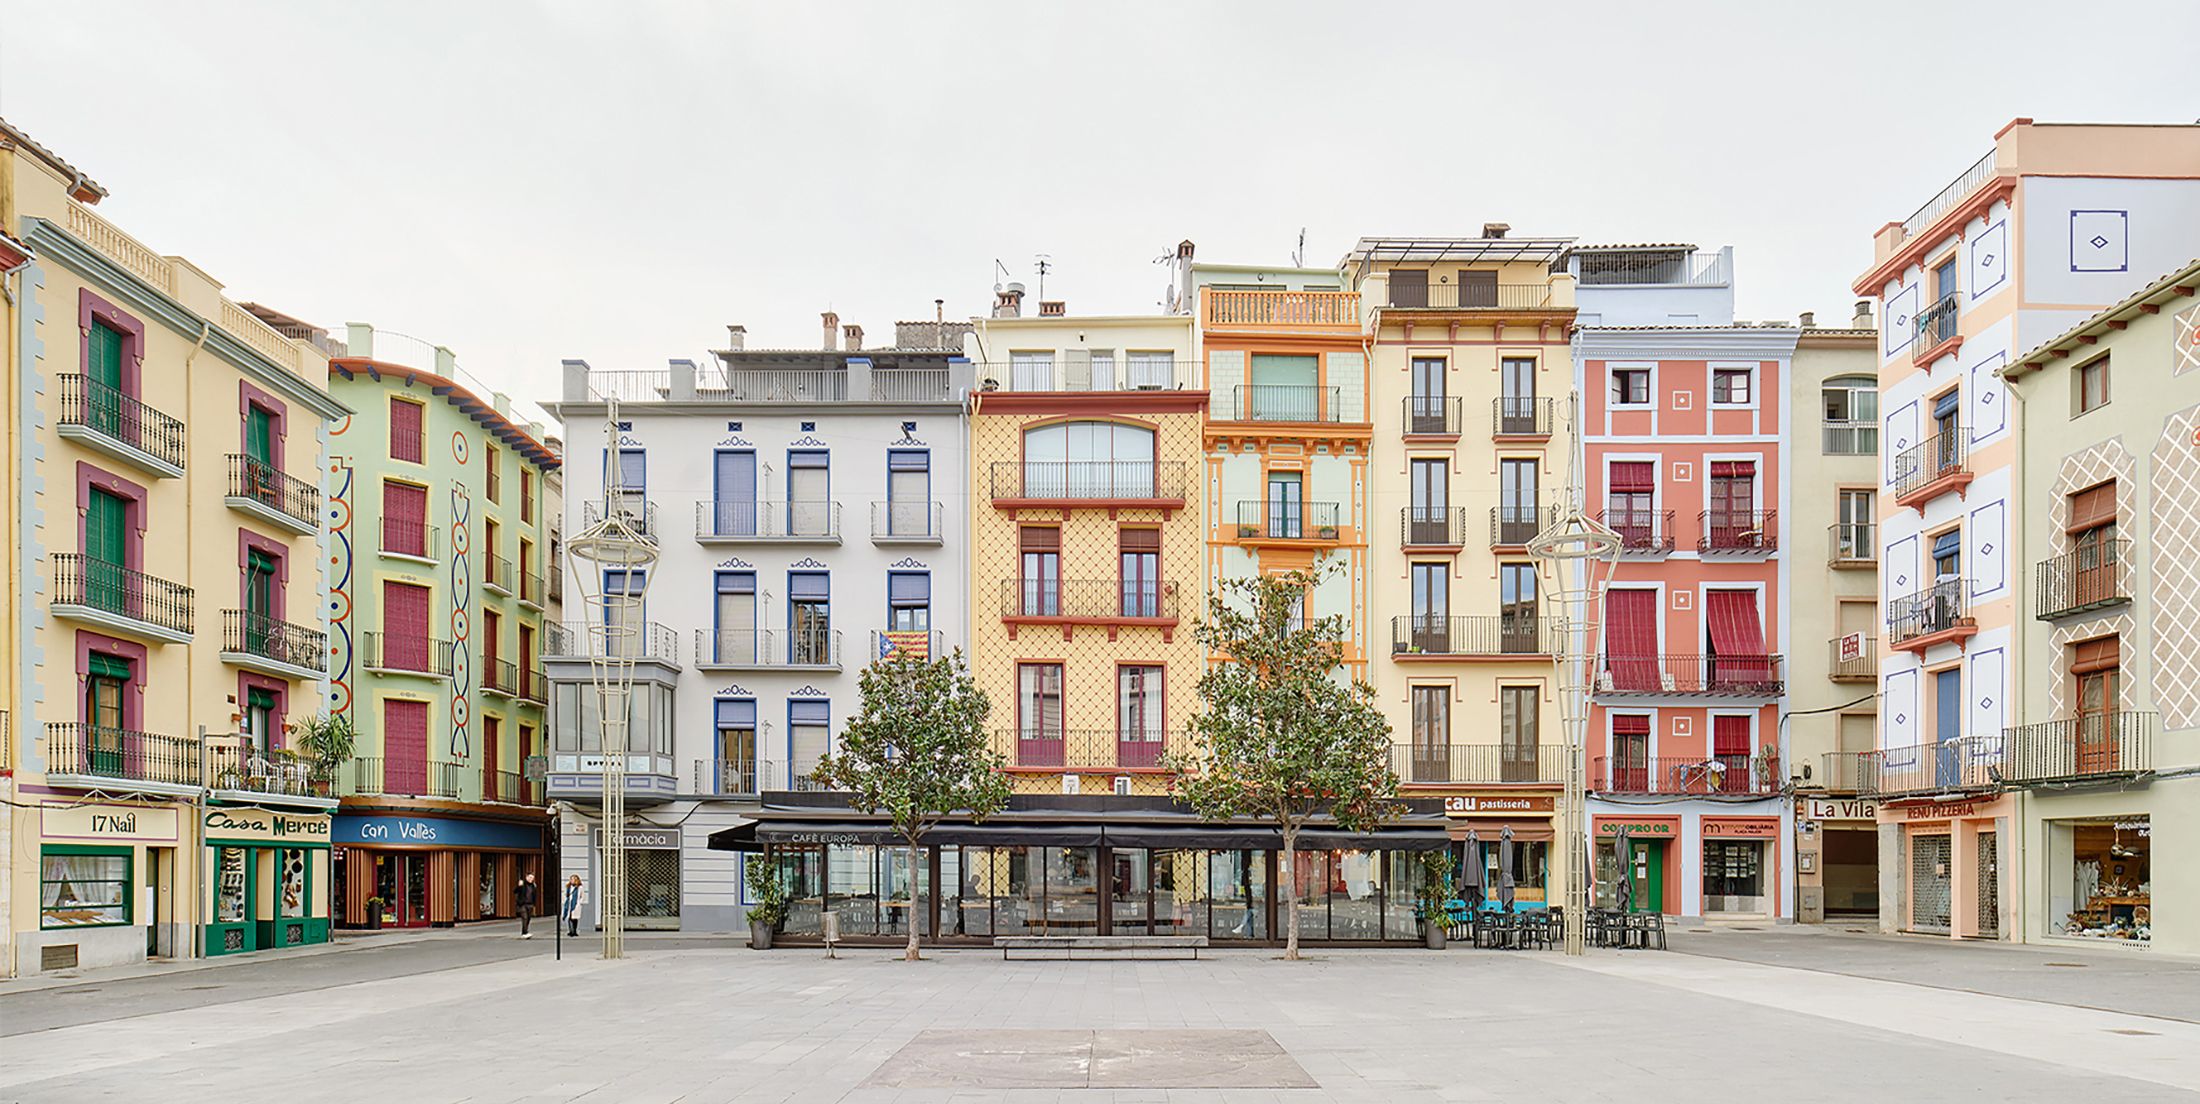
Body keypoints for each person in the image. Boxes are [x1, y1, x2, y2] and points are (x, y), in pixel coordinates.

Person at [517, 872, 539, 938]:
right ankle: (525, 932)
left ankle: (524, 932)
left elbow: (535, 895)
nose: (531, 879)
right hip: (523, 904)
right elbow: (515, 891)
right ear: (526, 877)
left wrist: (534, 903)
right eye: (530, 877)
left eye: (532, 878)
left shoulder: (533, 886)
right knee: (525, 918)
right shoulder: (523, 885)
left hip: (530, 904)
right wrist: (519, 886)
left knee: (528, 918)